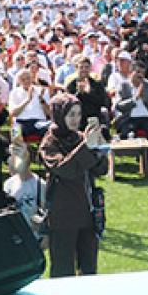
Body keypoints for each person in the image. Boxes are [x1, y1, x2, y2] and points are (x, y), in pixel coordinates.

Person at [37, 95, 105, 277]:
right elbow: (64, 169)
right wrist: (86, 147)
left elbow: (102, 170)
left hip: (87, 210)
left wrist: (98, 146)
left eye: (78, 114)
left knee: (89, 266)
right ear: (60, 116)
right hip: (63, 213)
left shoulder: (81, 137)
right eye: (71, 115)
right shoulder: (49, 143)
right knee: (63, 268)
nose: (76, 119)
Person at [113, 69, 148, 145]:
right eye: (137, 72)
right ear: (131, 73)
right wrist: (135, 98)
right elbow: (119, 106)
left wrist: (144, 97)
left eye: (142, 73)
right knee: (126, 133)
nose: (140, 75)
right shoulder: (123, 86)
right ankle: (135, 153)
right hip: (129, 119)